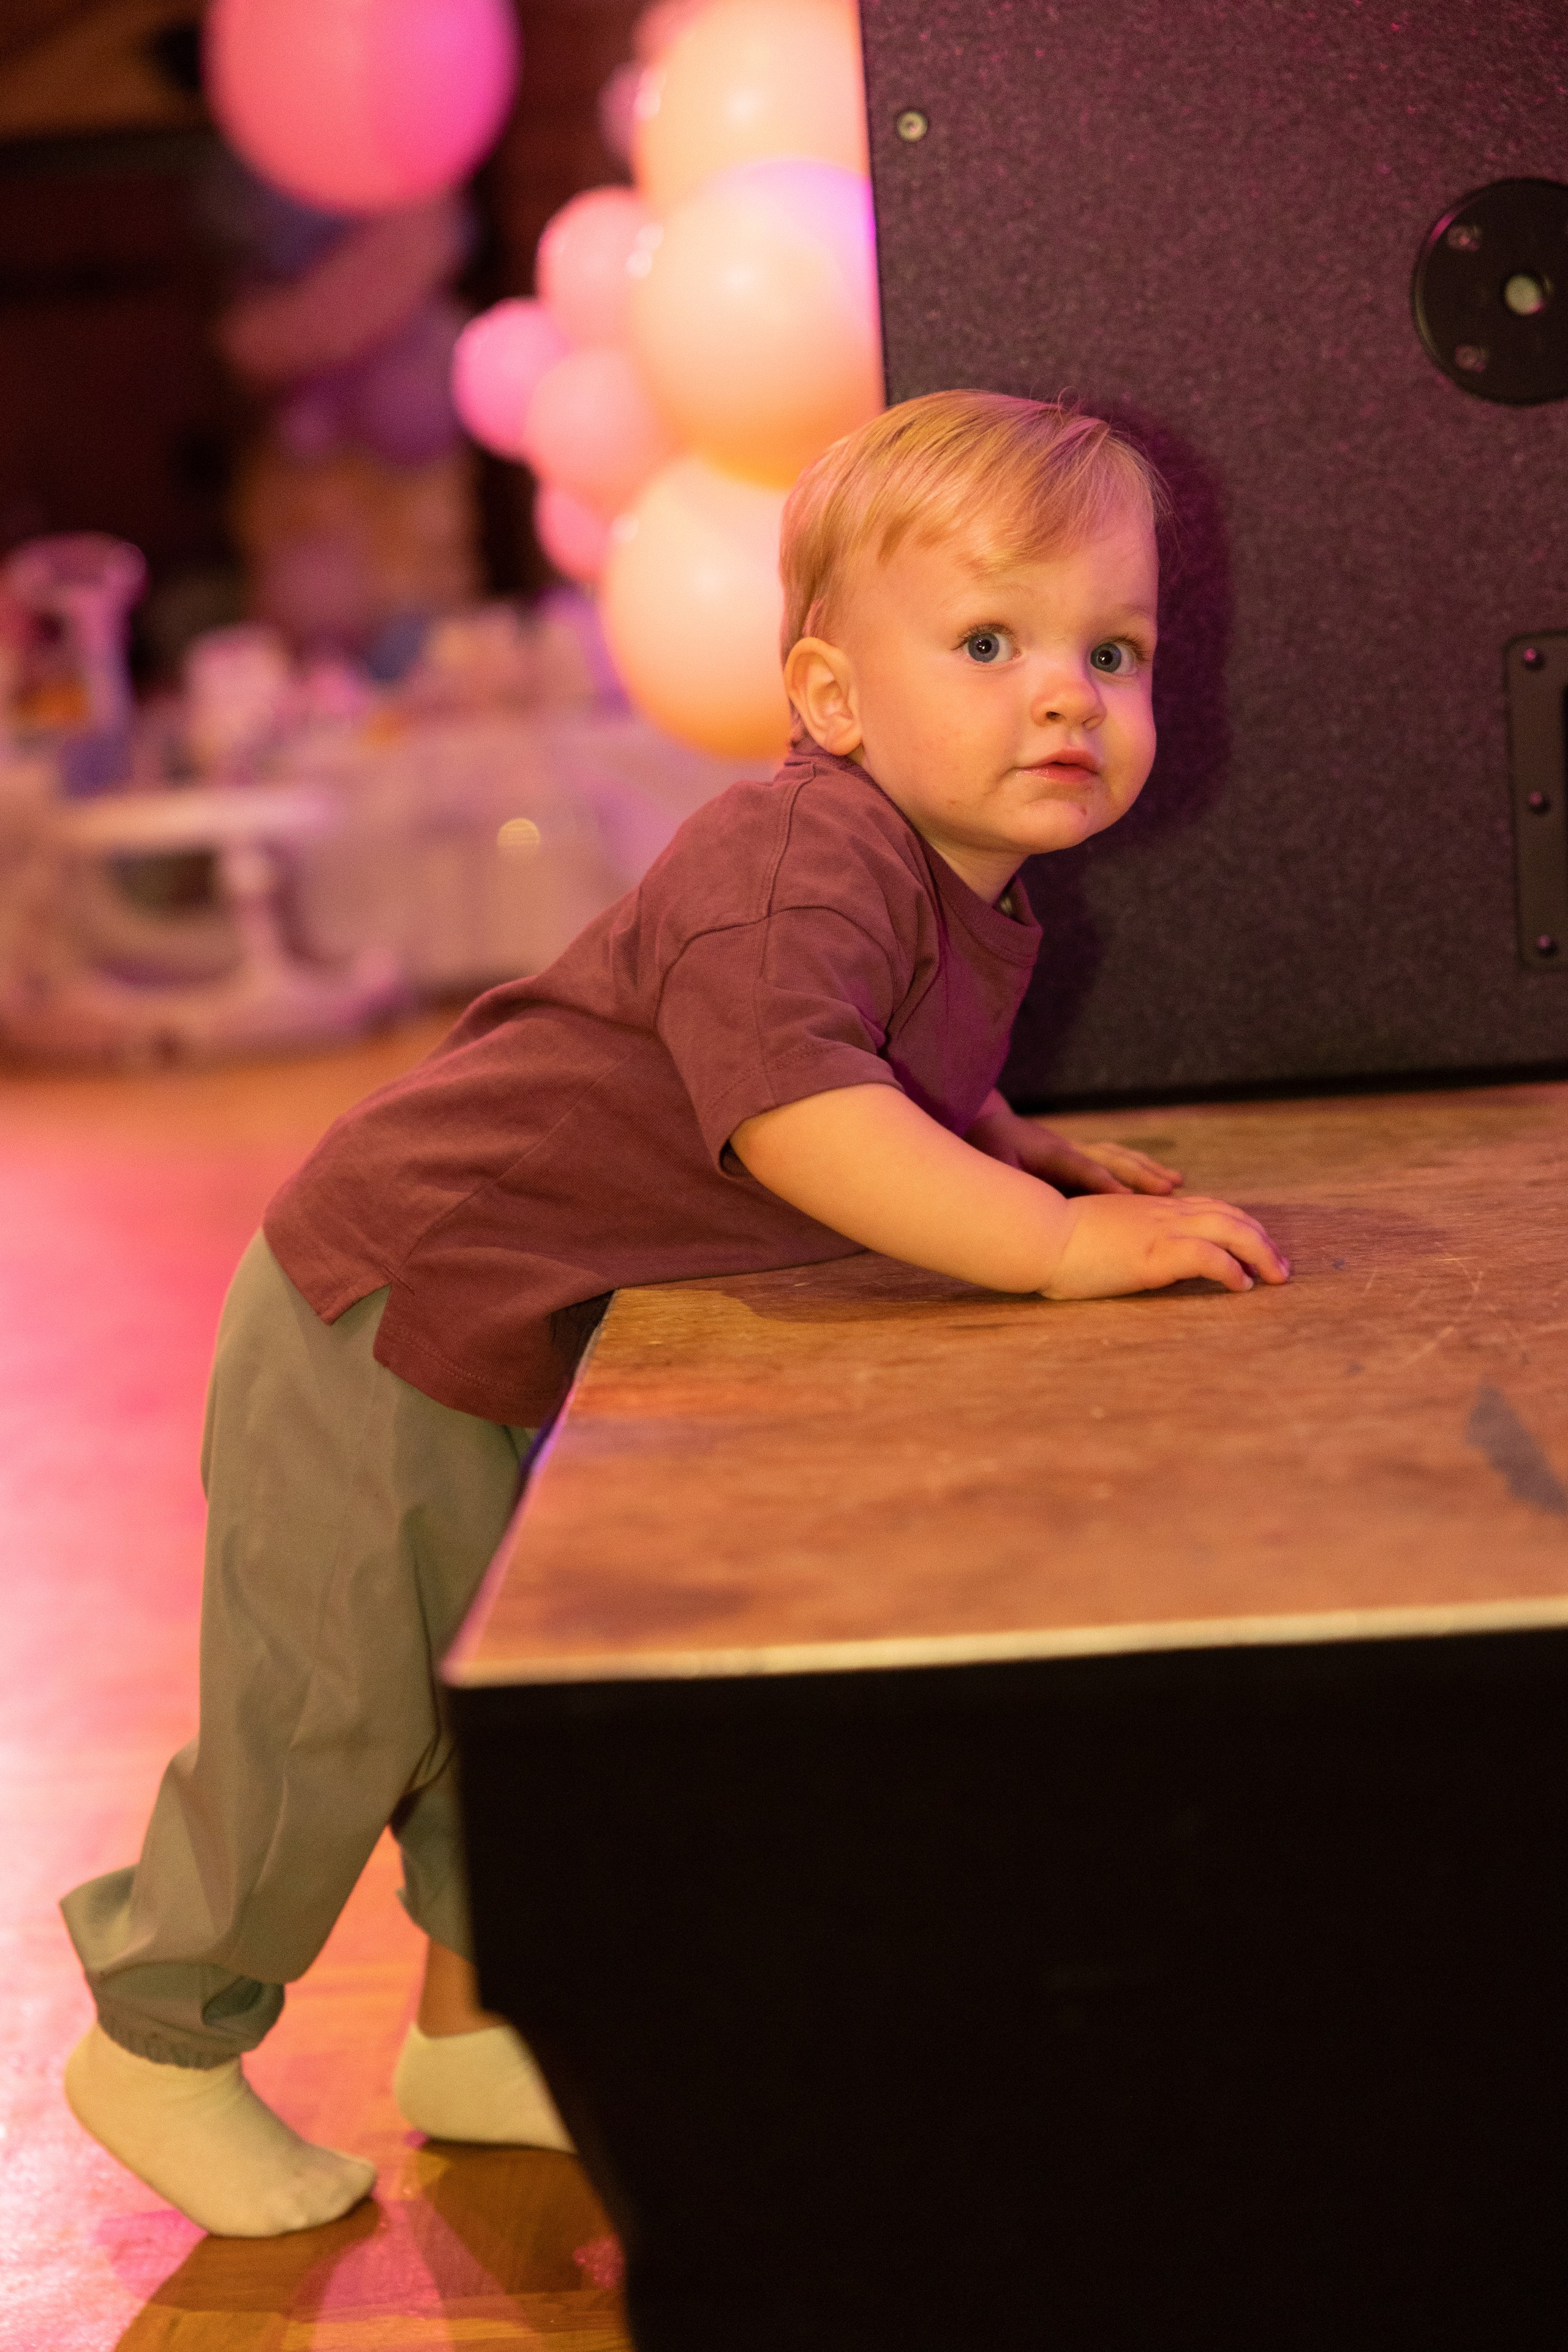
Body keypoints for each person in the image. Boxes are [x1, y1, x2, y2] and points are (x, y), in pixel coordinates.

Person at [61, 390, 1289, 2239]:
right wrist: (1036, 1251)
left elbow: (894, 1071)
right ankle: (159, 2035)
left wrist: (1024, 1152)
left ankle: (479, 2026)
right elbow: (801, 1105)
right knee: (334, 1699)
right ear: (831, 699)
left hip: (507, 1321)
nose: (1068, 696)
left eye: (1109, 651)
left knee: (494, 1706)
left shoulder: (959, 880)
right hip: (399, 1294)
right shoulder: (801, 856)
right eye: (990, 643)